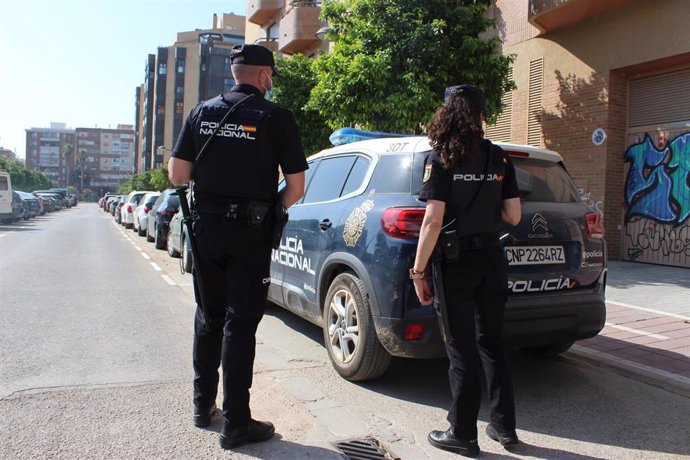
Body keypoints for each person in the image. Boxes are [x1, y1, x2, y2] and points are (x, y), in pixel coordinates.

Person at [168, 44, 307, 450]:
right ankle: (236, 423)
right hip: (250, 233)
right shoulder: (277, 118)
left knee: (209, 315)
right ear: (263, 76)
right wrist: (266, 210)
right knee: (240, 324)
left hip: (206, 229)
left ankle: (201, 405)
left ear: (235, 73)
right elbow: (296, 187)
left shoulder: (201, 112)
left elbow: (178, 173)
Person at [411, 85, 521, 457]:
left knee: (461, 349)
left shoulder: (441, 157)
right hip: (492, 259)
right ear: (480, 115)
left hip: (455, 264)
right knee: (492, 343)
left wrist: (418, 271)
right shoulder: (499, 158)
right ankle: (505, 428)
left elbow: (432, 221)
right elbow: (514, 215)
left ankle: (462, 433)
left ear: (448, 113)